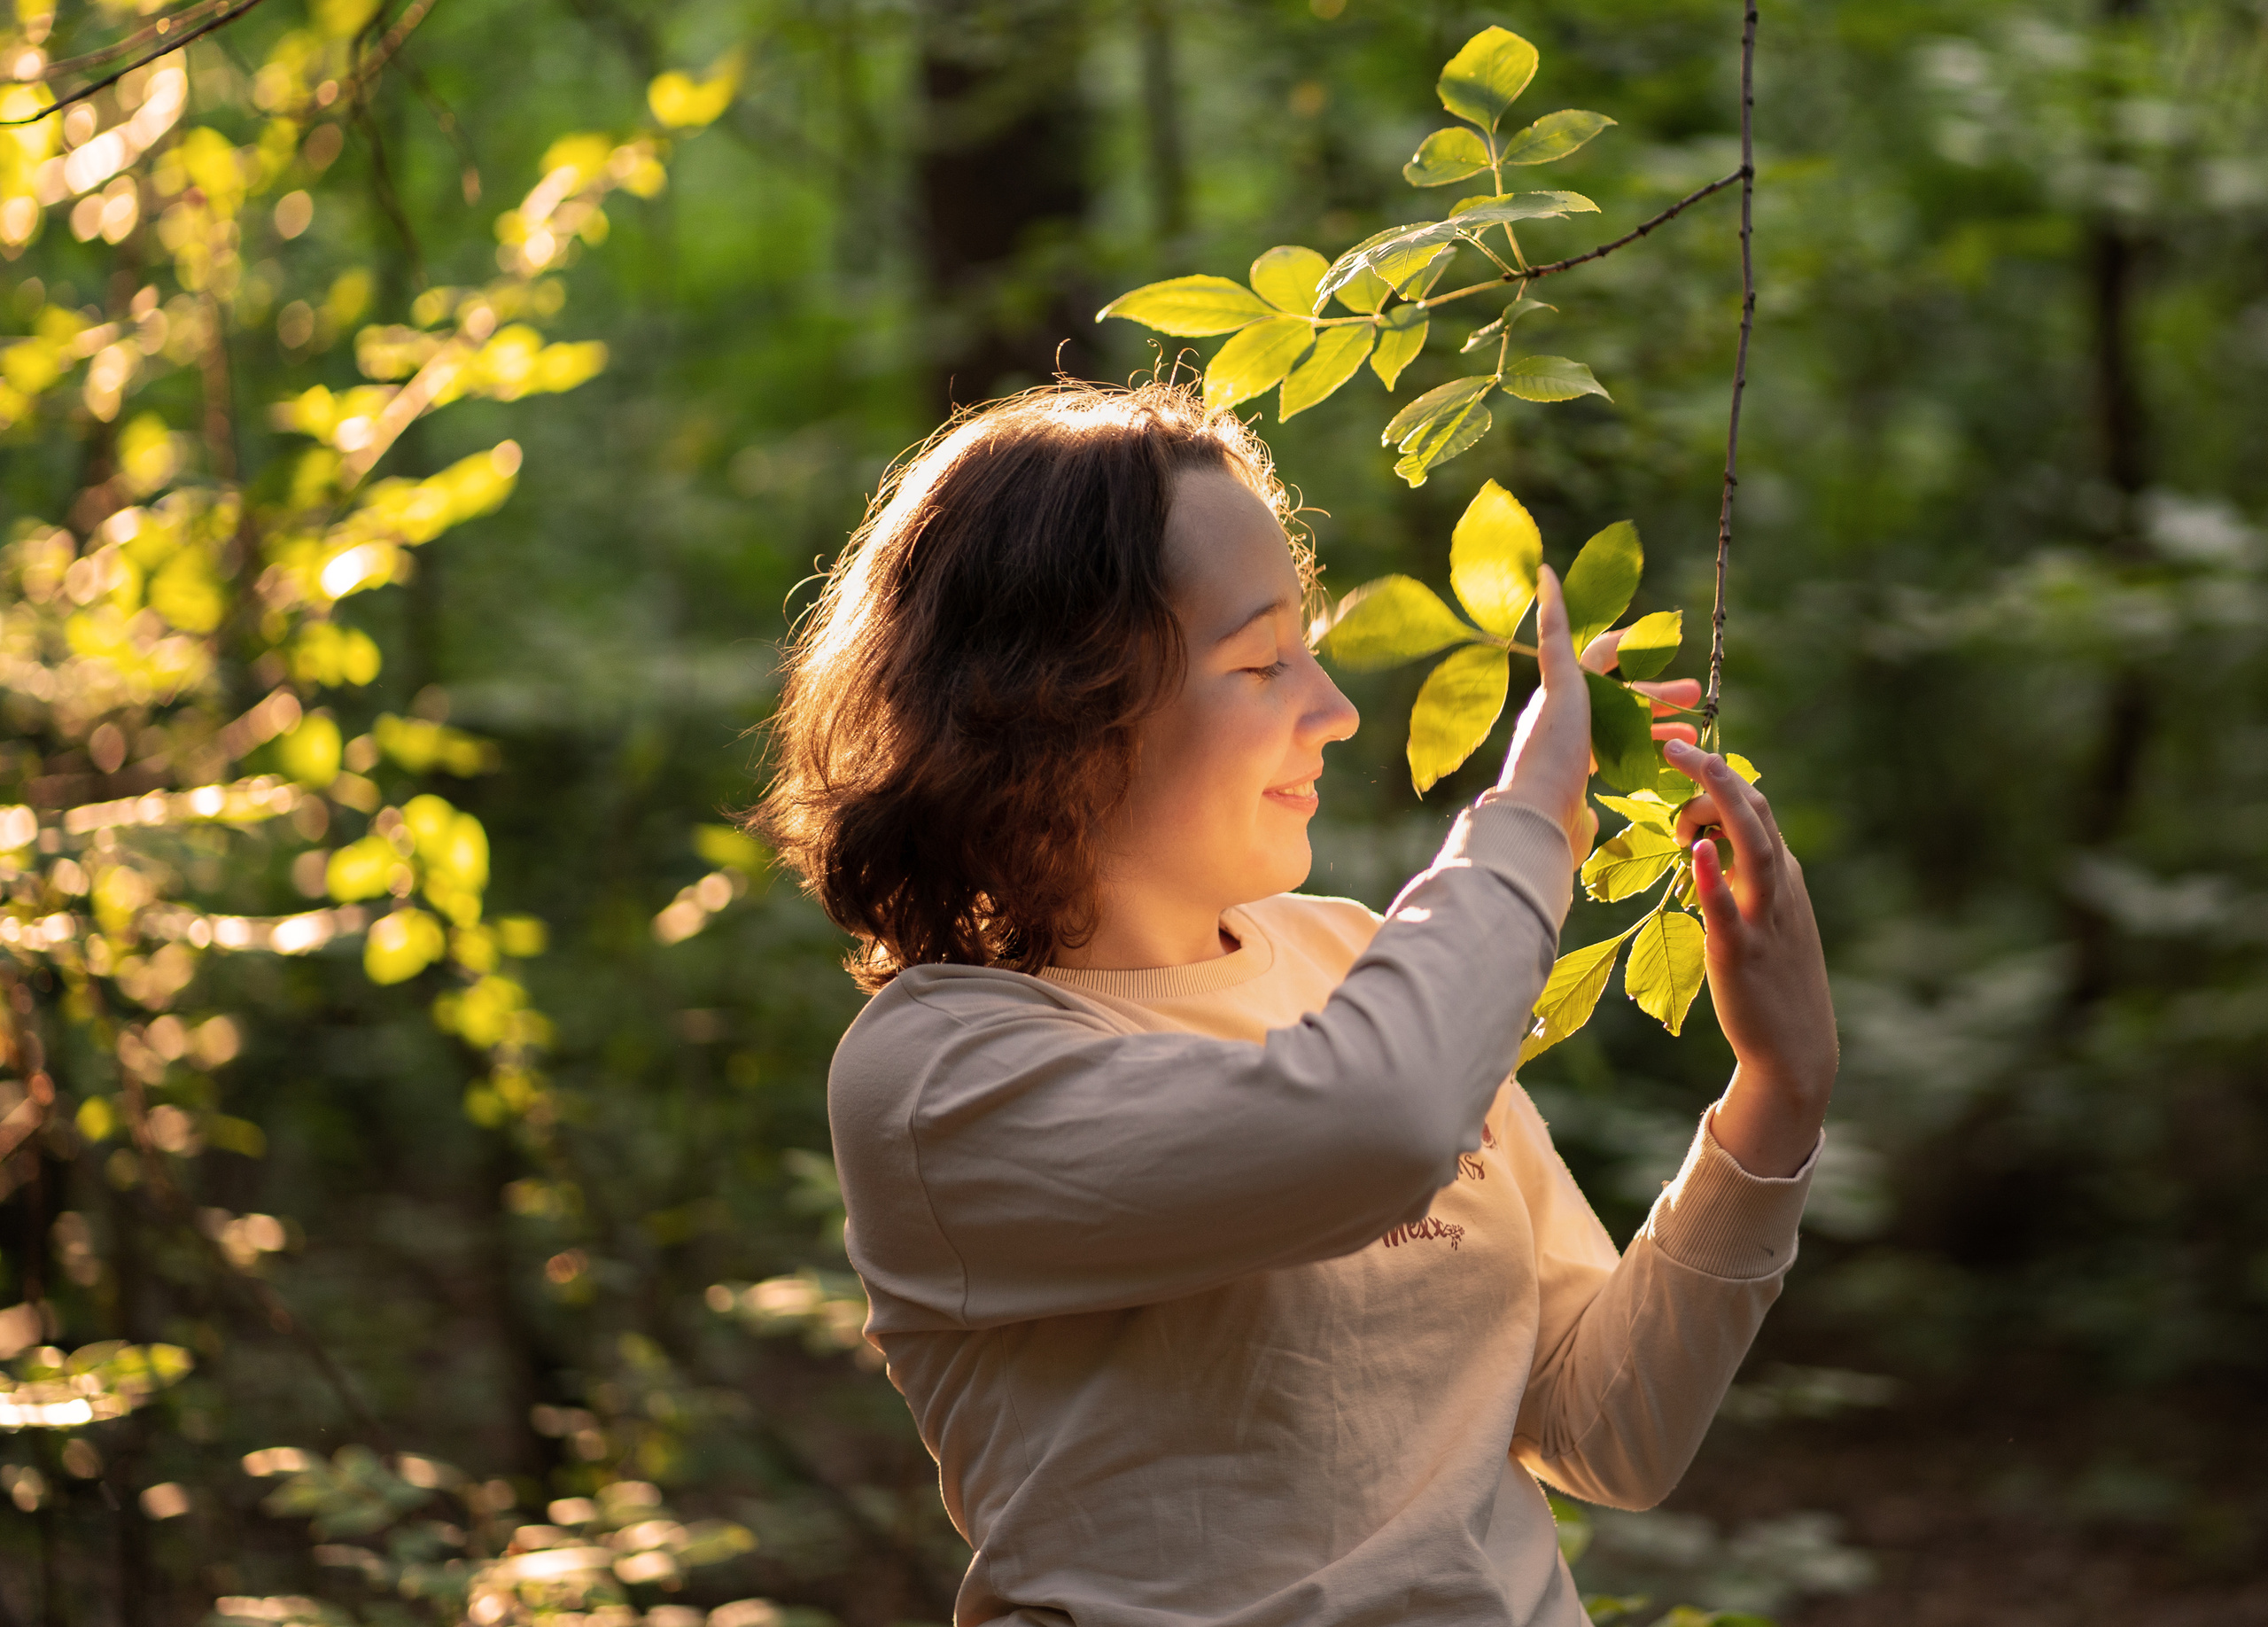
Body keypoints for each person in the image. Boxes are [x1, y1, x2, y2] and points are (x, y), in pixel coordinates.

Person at [757, 381, 1837, 1627]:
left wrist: (1778, 1094)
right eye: (1264, 662)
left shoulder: (1354, 962)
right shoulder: (939, 1076)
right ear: (1057, 712)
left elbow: (1611, 1430)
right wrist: (1531, 818)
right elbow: (1379, 1126)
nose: (1336, 710)